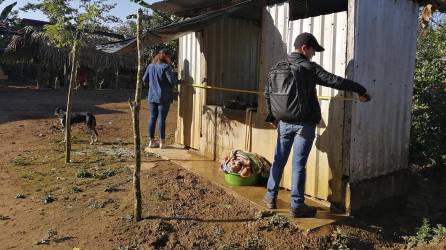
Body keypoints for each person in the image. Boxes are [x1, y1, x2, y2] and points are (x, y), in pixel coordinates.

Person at [263, 32, 371, 218]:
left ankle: (270, 197)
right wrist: (360, 89)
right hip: (304, 125)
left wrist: (272, 117)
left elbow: (268, 94)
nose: (314, 54)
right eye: (313, 50)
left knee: (279, 159)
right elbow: (335, 81)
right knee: (299, 165)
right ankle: (297, 206)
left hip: (283, 123)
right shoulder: (308, 67)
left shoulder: (276, 68)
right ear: (304, 48)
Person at [143, 49, 177, 149]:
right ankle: (162, 142)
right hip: (163, 97)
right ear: (166, 57)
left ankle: (152, 141)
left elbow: (144, 79)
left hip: (152, 96)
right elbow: (171, 81)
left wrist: (154, 81)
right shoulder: (166, 67)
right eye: (169, 57)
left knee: (153, 117)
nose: (170, 59)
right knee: (161, 118)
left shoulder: (150, 66)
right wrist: (179, 81)